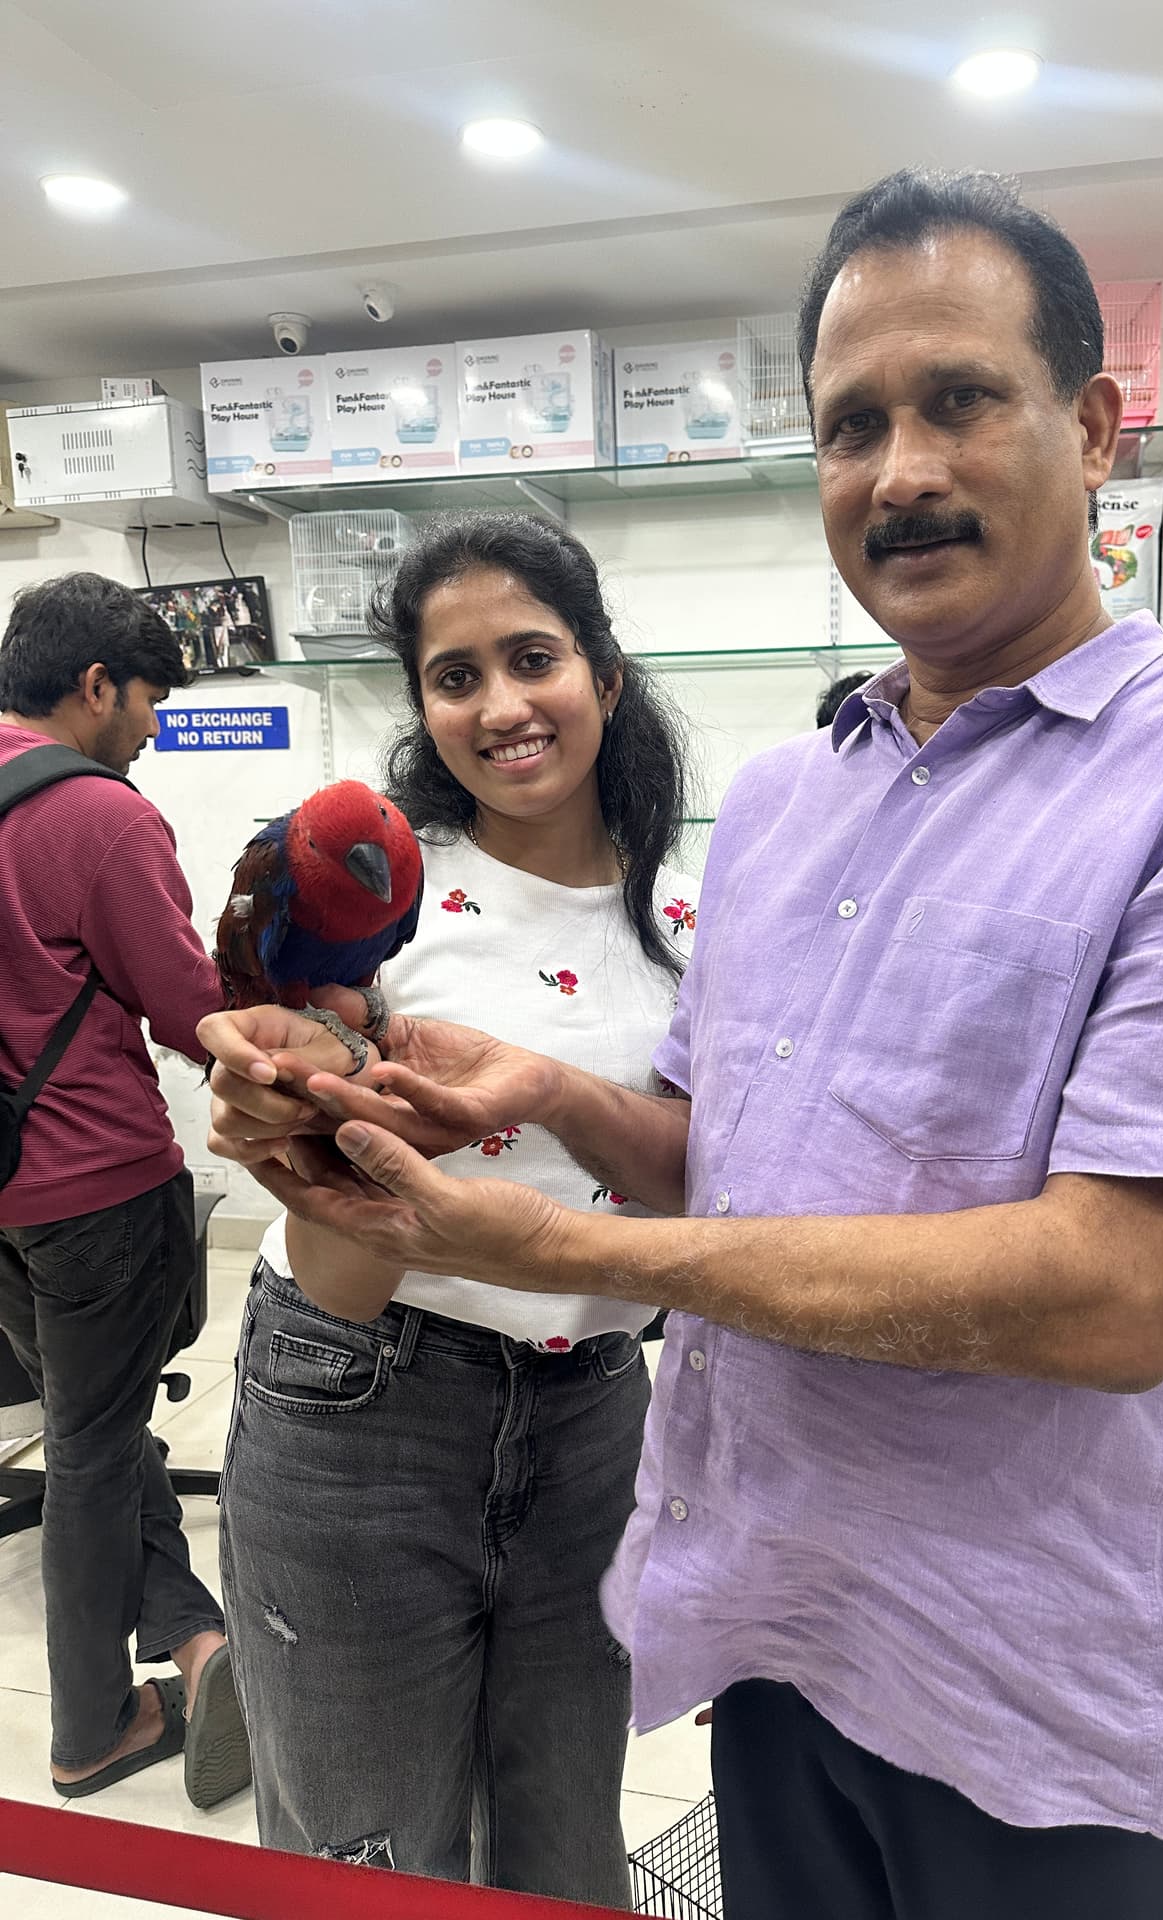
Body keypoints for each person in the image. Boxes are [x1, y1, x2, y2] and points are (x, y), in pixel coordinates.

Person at [204, 171, 1163, 1920]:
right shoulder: (783, 802)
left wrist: (557, 1249)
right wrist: (556, 1099)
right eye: (851, 425)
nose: (899, 470)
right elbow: (719, 1157)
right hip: (770, 1638)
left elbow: (1115, 1293)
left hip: (1037, 1701)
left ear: (1094, 428)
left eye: (959, 399)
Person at [212, 514, 696, 1901]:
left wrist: (550, 1092)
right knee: (364, 1853)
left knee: (564, 1837)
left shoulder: (692, 915)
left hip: (595, 1410)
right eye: (454, 676)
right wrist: (299, 1100)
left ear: (604, 674)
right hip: (359, 1393)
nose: (499, 707)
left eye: (532, 659)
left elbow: (705, 1178)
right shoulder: (380, 884)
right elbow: (312, 1078)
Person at [0, 571, 248, 1808]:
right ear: (96, 686)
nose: (153, 728)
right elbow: (190, 1010)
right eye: (150, 700)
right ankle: (92, 1727)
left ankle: (195, 1637)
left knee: (90, 1423)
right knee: (96, 1449)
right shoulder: (100, 815)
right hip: (92, 1182)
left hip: (2, 1196)